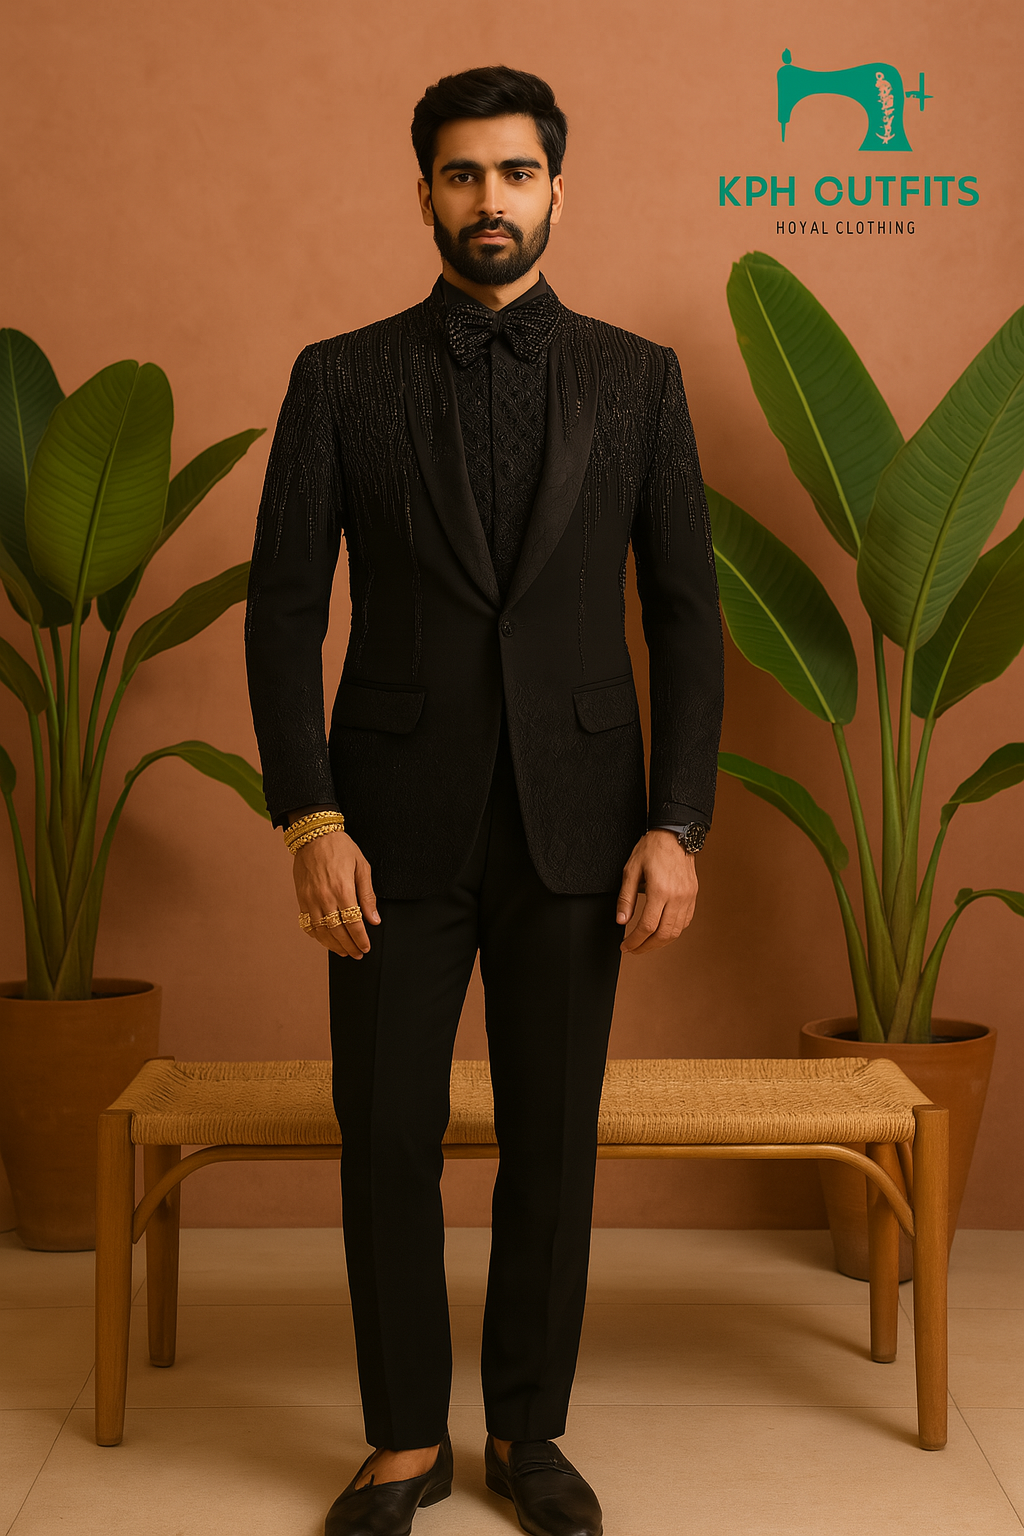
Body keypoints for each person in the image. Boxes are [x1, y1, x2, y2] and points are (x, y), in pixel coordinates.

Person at [245, 63, 723, 1536]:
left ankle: (527, 1430)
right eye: (463, 175)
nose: (490, 200)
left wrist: (678, 819)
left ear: (556, 188)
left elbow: (688, 613)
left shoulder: (640, 379)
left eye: (516, 174)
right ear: (426, 194)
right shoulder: (341, 375)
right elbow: (278, 616)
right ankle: (404, 1438)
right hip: (387, 830)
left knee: (550, 1138)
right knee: (385, 1132)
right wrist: (311, 820)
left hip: (583, 822)